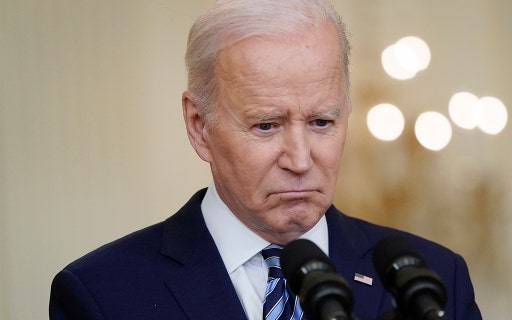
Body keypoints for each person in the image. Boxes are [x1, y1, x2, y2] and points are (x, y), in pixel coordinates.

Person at [49, 0, 482, 319]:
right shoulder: (103, 294)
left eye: (321, 122)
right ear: (199, 125)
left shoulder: (435, 280)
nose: (299, 159)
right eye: (266, 126)